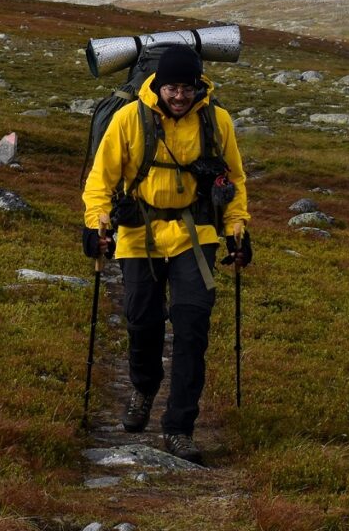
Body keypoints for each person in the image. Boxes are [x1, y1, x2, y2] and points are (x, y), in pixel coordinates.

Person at [81, 44, 250, 464]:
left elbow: (236, 179)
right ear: (158, 84)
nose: (179, 96)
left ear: (198, 87)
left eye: (187, 88)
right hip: (139, 235)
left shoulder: (217, 120)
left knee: (192, 327)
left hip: (198, 235)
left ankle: (179, 428)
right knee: (143, 322)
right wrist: (94, 224)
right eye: (173, 87)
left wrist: (238, 228)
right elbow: (101, 179)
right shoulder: (128, 119)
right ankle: (143, 385)